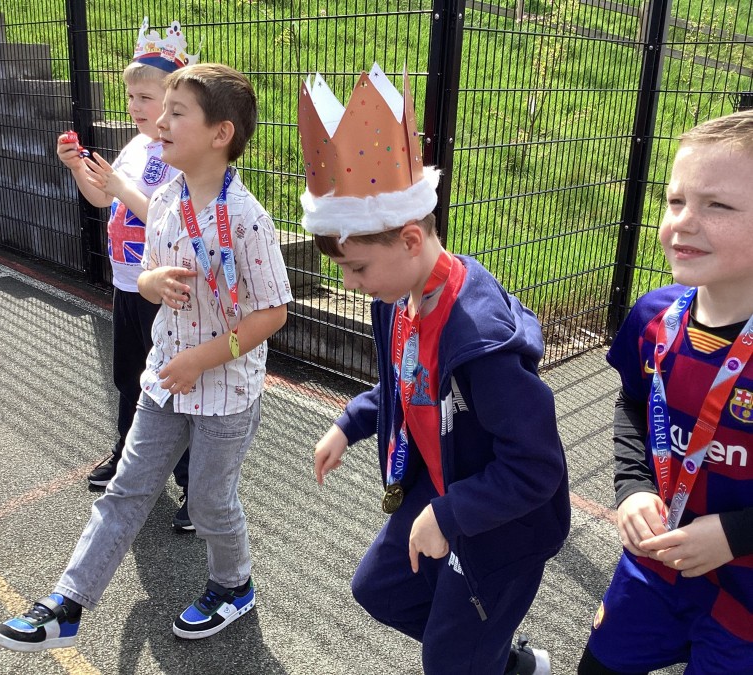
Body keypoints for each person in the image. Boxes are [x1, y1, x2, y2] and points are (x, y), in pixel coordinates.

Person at [0, 62, 292, 651]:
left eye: (177, 113)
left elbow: (272, 313)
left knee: (209, 502)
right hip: (163, 379)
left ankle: (233, 586)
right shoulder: (169, 197)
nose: (161, 122)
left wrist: (202, 359)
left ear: (221, 133)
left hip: (226, 392)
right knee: (125, 491)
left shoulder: (249, 219)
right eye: (163, 111)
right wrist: (152, 283)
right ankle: (67, 604)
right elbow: (148, 272)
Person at [300, 65, 570, 674]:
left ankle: (477, 655)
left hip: (502, 522)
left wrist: (450, 515)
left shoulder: (481, 341)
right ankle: (495, 659)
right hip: (442, 487)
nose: (351, 283)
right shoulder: (399, 298)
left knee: (448, 660)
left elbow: (536, 467)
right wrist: (351, 422)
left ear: (410, 240)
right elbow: (405, 382)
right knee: (380, 589)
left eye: (357, 268)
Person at [578, 110, 753, 673]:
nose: (683, 222)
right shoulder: (654, 317)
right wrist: (632, 489)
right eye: (675, 200)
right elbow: (633, 404)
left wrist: (736, 533)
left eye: (717, 205)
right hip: (657, 566)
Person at [57, 18, 193, 530]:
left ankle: (193, 485)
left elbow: (165, 217)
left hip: (162, 287)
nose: (135, 106)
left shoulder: (180, 153)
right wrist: (79, 169)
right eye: (131, 96)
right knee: (128, 375)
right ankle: (127, 455)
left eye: (146, 97)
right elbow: (102, 198)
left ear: (175, 101)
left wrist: (117, 186)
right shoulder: (136, 146)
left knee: (171, 384)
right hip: (125, 282)